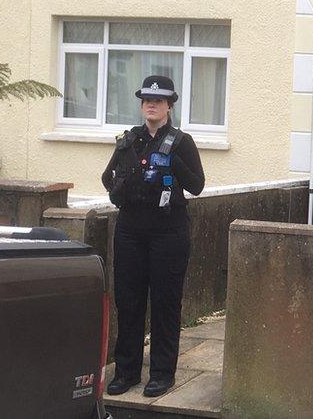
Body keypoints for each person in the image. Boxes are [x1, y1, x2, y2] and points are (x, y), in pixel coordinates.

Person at [101, 75, 205, 398]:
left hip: (168, 233)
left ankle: (161, 373)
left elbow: (197, 185)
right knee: (129, 303)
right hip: (131, 231)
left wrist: (173, 165)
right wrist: (122, 186)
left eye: (158, 101)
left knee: (164, 304)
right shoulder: (129, 140)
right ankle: (127, 371)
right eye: (147, 100)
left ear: (169, 106)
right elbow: (107, 178)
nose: (151, 105)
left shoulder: (181, 141)